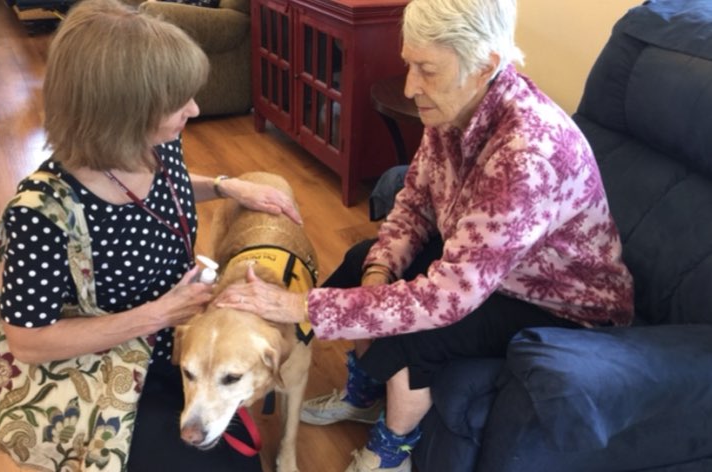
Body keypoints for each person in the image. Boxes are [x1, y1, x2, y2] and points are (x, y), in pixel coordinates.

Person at [215, 0, 635, 471]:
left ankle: (393, 451)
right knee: (359, 261)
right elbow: (415, 201)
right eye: (409, 64)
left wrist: (303, 307)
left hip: (559, 304)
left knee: (417, 334)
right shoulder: (454, 110)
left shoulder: (526, 153)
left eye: (427, 70)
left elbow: (448, 300)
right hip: (491, 266)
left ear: (484, 66)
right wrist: (377, 271)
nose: (412, 85)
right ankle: (364, 395)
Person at [0, 0, 301, 470]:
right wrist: (152, 317)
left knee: (235, 451)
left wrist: (227, 186)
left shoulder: (155, 145)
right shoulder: (39, 216)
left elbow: (160, 193)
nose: (194, 108)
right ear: (121, 113)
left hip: (175, 332)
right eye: (177, 101)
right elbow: (27, 342)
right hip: (104, 359)